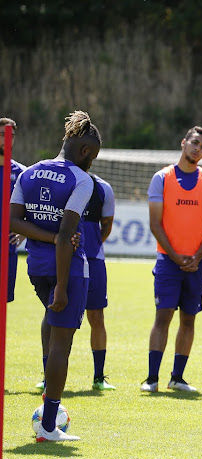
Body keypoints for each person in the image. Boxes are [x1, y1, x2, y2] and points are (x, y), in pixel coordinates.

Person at [10, 110, 100, 441]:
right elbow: (66, 236)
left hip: (36, 268)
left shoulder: (28, 173)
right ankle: (49, 426)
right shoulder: (81, 179)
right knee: (63, 342)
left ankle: (48, 407)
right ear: (86, 151)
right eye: (94, 156)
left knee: (51, 323)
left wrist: (44, 238)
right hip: (68, 271)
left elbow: (13, 222)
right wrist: (63, 286)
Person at [141, 126, 202, 393]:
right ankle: (152, 378)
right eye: (195, 143)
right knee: (162, 316)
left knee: (189, 319)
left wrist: (196, 257)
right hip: (168, 261)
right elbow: (155, 224)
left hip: (198, 264)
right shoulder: (162, 178)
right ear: (183, 142)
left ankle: (177, 377)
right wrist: (176, 257)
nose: (198, 150)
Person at [81, 174, 116, 390]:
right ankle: (49, 377)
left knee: (96, 317)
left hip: (94, 260)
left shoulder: (103, 188)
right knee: (57, 315)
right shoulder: (61, 181)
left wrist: (90, 246)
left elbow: (107, 225)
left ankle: (98, 377)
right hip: (63, 258)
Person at [0, 117, 27, 303]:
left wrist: (24, 232)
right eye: (2, 134)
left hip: (8, 251)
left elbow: (31, 209)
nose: (7, 139)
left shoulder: (22, 174)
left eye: (11, 135)